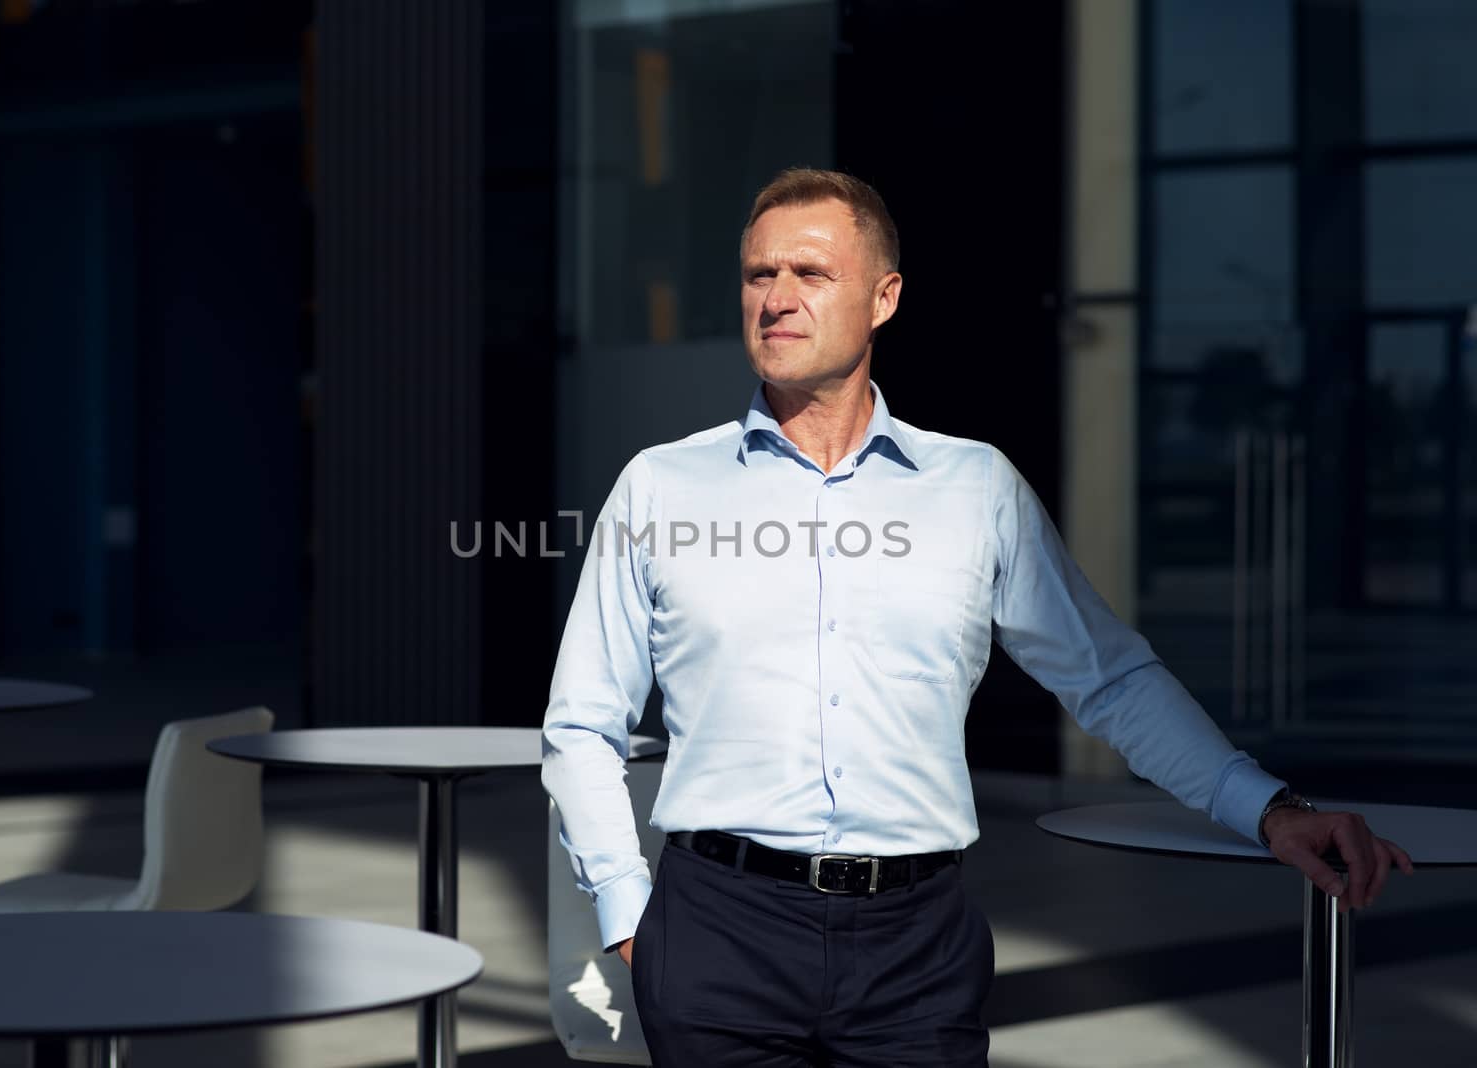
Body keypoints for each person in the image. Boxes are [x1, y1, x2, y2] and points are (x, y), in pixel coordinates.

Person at [541, 168, 1412, 1067]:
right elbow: (580, 725)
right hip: (718, 936)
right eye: (760, 274)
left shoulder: (975, 489)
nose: (777, 299)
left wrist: (1269, 811)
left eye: (810, 273)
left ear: (884, 298)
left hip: (915, 951)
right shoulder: (661, 487)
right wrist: (629, 916)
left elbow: (1109, 680)